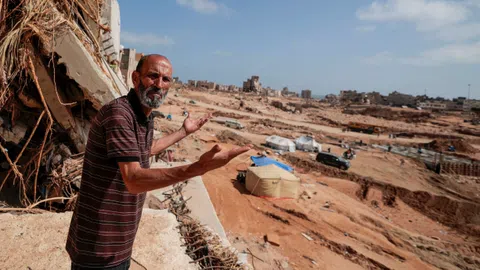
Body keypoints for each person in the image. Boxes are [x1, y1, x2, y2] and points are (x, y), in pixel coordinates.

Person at [66, 54, 251, 269]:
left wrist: (183, 132)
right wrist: (198, 168)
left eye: (166, 79)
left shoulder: (143, 114)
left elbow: (145, 150)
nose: (159, 85)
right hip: (99, 244)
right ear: (135, 78)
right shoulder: (119, 115)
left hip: (118, 240)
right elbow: (133, 179)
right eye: (152, 76)